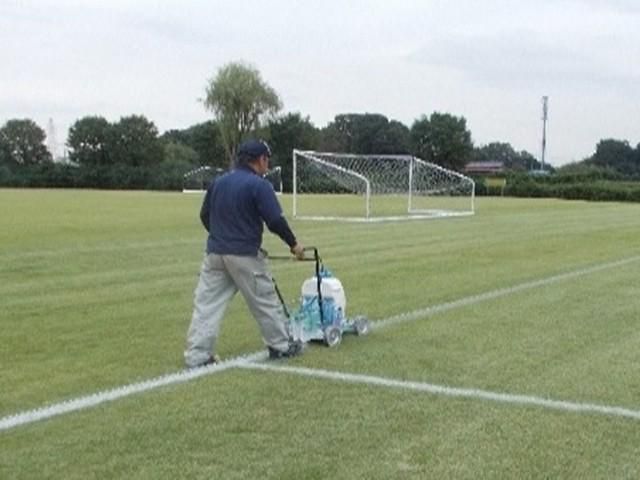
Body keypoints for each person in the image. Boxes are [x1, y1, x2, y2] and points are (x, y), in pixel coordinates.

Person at [184, 139, 305, 368]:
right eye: (266, 161)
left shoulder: (218, 183)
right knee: (264, 301)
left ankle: (197, 356)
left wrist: (221, 235)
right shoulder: (259, 185)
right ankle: (280, 345)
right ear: (260, 160)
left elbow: (204, 215)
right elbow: (275, 220)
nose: (267, 167)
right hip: (245, 256)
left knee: (206, 305)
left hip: (215, 254)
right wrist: (294, 244)